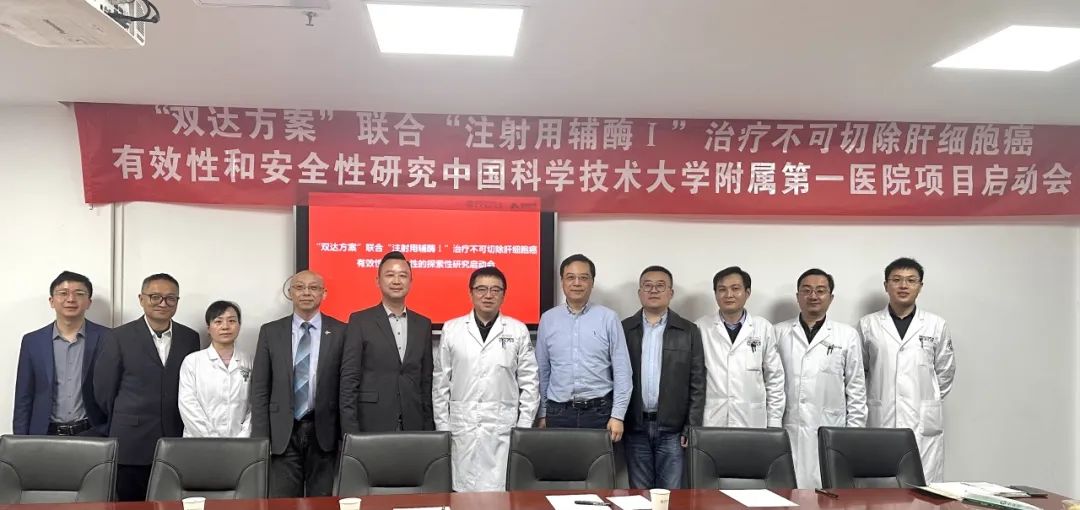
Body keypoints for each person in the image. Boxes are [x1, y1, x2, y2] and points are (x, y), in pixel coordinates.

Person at [94, 273, 200, 501]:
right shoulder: (118, 337)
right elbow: (104, 391)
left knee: (172, 504)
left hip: (176, 438)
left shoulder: (190, 338)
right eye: (155, 297)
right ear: (141, 299)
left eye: (170, 298)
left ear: (177, 302)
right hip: (131, 441)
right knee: (130, 504)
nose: (163, 303)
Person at [433, 266, 539, 492]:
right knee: (462, 495)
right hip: (462, 428)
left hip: (503, 429)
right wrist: (443, 428)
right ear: (470, 293)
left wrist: (523, 429)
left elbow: (530, 385)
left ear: (504, 295)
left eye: (495, 290)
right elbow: (440, 385)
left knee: (501, 495)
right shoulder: (452, 329)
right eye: (481, 289)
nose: (488, 295)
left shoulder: (517, 330)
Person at [250, 270, 346, 497]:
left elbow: (346, 388)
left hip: (324, 431)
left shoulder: (342, 331)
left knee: (322, 502)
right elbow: (260, 389)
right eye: (300, 287)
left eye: (313, 288)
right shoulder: (270, 331)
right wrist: (261, 439)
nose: (306, 293)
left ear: (324, 293)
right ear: (290, 293)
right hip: (283, 432)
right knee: (282, 502)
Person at [860, 257, 956, 483]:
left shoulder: (936, 325)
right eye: (896, 280)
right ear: (886, 285)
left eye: (911, 280)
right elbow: (860, 372)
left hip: (921, 419)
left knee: (923, 487)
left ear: (920, 286)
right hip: (882, 416)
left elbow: (945, 372)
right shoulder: (868, 325)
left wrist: (927, 400)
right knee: (880, 487)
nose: (903, 286)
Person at [775, 268, 866, 489]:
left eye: (820, 291)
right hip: (789, 428)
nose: (813, 296)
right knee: (787, 491)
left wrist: (853, 435)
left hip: (830, 429)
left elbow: (856, 389)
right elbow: (770, 385)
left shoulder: (847, 335)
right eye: (806, 290)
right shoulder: (778, 333)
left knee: (827, 493)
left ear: (831, 297)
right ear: (798, 296)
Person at [621, 265, 705, 489]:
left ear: (671, 292)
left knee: (671, 496)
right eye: (647, 286)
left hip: (673, 431)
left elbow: (697, 383)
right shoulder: (624, 329)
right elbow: (616, 378)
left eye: (660, 286)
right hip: (635, 427)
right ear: (639, 292)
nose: (653, 290)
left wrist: (691, 426)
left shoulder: (688, 331)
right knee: (639, 496)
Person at [536, 254, 632, 442]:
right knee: (559, 462)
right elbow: (542, 370)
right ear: (562, 282)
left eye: (583, 277)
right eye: (570, 277)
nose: (577, 283)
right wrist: (543, 413)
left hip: (600, 413)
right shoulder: (548, 319)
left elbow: (622, 371)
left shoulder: (609, 318)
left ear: (592, 282)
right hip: (558, 413)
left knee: (600, 463)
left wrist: (618, 415)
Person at [340, 251, 435, 433]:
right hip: (371, 421)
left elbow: (426, 381)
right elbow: (349, 380)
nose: (397, 281)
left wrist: (429, 428)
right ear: (378, 281)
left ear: (411, 282)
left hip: (413, 422)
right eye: (390, 275)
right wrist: (350, 431)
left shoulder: (423, 324)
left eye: (403, 276)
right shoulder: (360, 321)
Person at [13, 271, 109, 437]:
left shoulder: (108, 338)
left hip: (92, 434)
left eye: (79, 294)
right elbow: (24, 396)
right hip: (44, 434)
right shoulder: (32, 342)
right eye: (63, 293)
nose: (71, 299)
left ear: (89, 302)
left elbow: (116, 392)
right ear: (51, 301)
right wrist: (20, 440)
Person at [696, 266, 785, 428]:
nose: (728, 294)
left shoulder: (763, 328)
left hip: (752, 420)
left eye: (735, 288)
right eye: (722, 289)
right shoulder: (701, 327)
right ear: (715, 294)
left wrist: (774, 421)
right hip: (712, 420)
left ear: (747, 292)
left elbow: (774, 378)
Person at [178, 300, 252, 438]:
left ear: (239, 325)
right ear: (208, 328)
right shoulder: (192, 362)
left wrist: (243, 437)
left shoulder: (249, 361)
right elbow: (188, 405)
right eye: (218, 321)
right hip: (200, 442)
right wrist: (213, 440)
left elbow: (254, 405)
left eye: (231, 321)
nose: (225, 326)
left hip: (240, 443)